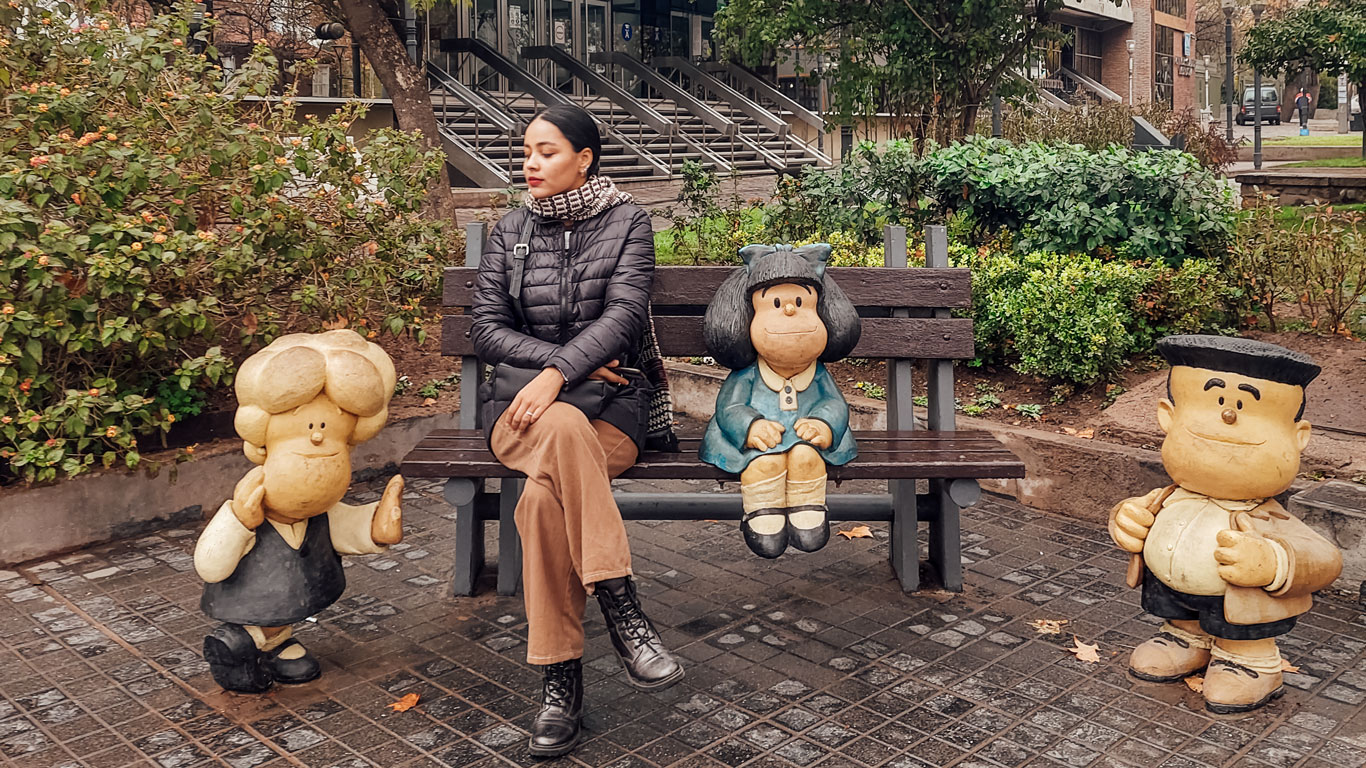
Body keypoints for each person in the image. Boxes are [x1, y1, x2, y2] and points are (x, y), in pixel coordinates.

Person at [469, 104, 683, 758]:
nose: (529, 163)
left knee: (540, 500)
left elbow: (623, 316)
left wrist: (558, 374)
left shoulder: (628, 222)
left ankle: (560, 682)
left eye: (546, 151)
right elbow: (486, 329)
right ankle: (622, 608)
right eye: (525, 151)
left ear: (585, 158)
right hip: (520, 415)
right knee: (557, 426)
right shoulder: (509, 230)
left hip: (612, 415)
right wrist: (553, 374)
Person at [1108, 335, 1341, 714]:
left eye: (1247, 407)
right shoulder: (1166, 497)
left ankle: (1250, 663)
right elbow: (1131, 516)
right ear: (1168, 416)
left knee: (1243, 632)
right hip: (1172, 590)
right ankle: (1185, 639)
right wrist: (1126, 520)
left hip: (1239, 603)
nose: (1228, 415)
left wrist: (1273, 562)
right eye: (1212, 401)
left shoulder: (1270, 518)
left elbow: (1325, 560)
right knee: (1178, 612)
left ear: (1298, 439)